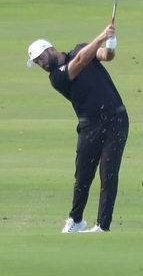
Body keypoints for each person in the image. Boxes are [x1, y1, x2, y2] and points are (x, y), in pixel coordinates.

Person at [27, 23, 129, 234]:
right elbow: (82, 61)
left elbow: (106, 57)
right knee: (83, 175)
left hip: (116, 119)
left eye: (40, 58)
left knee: (109, 173)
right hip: (89, 125)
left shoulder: (82, 48)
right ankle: (76, 220)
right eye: (36, 62)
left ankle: (102, 225)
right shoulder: (56, 77)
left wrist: (110, 44)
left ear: (50, 49)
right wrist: (102, 36)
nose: (40, 63)